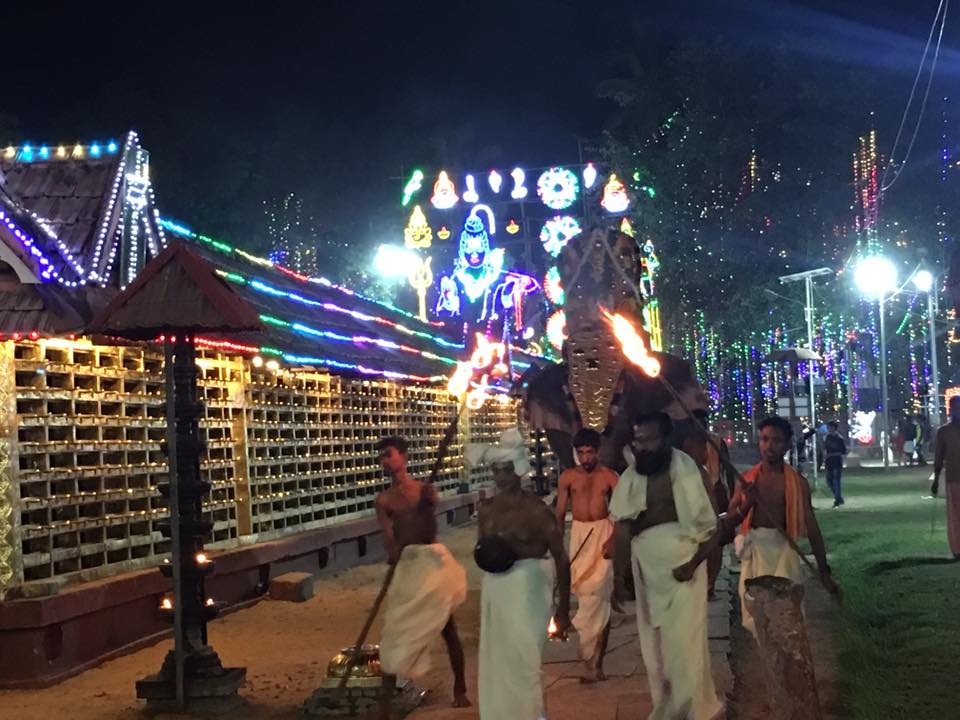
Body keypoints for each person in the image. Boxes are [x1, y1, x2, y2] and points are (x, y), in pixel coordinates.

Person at [611, 412, 724, 720]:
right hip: (647, 574)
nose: (642, 446)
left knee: (685, 644)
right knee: (656, 649)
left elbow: (713, 529)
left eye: (649, 439)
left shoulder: (691, 473)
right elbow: (621, 529)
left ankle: (693, 709)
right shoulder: (632, 478)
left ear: (666, 439)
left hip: (686, 571)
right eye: (638, 440)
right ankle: (667, 706)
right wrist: (618, 578)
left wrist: (694, 564)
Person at [468, 428, 572, 720]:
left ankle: (531, 714)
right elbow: (483, 547)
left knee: (525, 659)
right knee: (497, 660)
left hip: (528, 587)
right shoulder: (487, 510)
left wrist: (563, 611)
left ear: (518, 471)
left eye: (505, 470)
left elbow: (561, 560)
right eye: (495, 470)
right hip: (496, 589)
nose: (500, 477)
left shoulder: (536, 510)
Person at [374, 436, 470, 717]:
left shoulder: (425, 491)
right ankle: (385, 704)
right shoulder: (384, 500)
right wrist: (393, 555)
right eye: (382, 457)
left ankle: (460, 688)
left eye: (389, 455)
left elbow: (431, 524)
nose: (385, 461)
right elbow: (388, 536)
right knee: (394, 630)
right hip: (407, 564)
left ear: (403, 456)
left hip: (431, 562)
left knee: (447, 627)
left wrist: (424, 506)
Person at [727, 417, 838, 638]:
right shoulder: (747, 480)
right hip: (756, 553)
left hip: (784, 551)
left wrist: (824, 572)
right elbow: (729, 520)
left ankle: (792, 670)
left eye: (776, 440)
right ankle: (770, 670)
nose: (769, 446)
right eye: (765, 439)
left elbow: (812, 528)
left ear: (788, 444)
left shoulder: (797, 483)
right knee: (758, 620)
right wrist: (746, 505)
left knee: (789, 618)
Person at [555, 427, 619, 683]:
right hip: (579, 536)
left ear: (598, 451)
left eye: (589, 453)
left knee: (600, 599)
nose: (585, 458)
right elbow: (559, 514)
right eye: (581, 453)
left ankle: (597, 664)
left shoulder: (611, 477)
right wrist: (557, 545)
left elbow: (623, 513)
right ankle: (587, 659)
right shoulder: (568, 478)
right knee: (584, 597)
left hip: (604, 534)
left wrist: (614, 540)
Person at [932, 396, 960, 559]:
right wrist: (936, 479)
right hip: (954, 478)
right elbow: (939, 457)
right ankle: (957, 549)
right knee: (955, 515)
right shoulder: (944, 431)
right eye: (955, 408)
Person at [823, 421, 848, 508]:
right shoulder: (826, 437)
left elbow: (843, 450)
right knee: (829, 481)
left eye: (829, 427)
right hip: (829, 461)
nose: (828, 429)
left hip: (836, 460)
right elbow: (824, 448)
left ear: (834, 428)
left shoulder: (839, 438)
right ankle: (838, 498)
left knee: (836, 481)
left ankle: (837, 500)